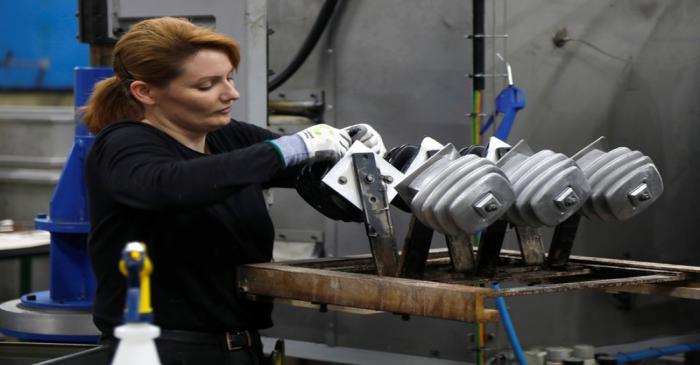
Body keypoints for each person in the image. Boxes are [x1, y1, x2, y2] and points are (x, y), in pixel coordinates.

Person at [82, 16, 385, 364]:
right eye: (207, 85)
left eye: (229, 78)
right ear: (145, 92)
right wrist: (287, 149)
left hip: (240, 348)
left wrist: (351, 150)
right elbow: (173, 184)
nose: (231, 93)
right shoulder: (122, 145)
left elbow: (306, 167)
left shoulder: (226, 136)